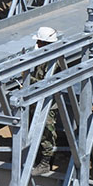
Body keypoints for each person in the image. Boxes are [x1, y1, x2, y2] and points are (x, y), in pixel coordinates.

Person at [30, 25, 59, 173]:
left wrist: (28, 80)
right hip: (38, 99)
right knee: (34, 128)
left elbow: (46, 82)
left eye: (40, 42)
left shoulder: (54, 60)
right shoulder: (44, 55)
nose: (38, 45)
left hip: (48, 102)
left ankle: (46, 162)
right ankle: (36, 157)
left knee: (46, 131)